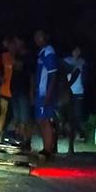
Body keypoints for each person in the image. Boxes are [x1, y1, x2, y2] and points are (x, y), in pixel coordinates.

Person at [33, 30, 58, 158]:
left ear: (45, 37)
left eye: (40, 37)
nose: (37, 40)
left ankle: (48, 149)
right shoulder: (42, 52)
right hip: (40, 91)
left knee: (45, 120)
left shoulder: (49, 52)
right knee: (40, 120)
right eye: (36, 37)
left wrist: (48, 94)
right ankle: (46, 148)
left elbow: (53, 74)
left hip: (45, 92)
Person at [10, 36, 34, 150]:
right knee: (18, 117)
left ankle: (27, 141)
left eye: (17, 42)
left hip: (24, 90)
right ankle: (21, 139)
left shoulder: (28, 56)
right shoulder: (17, 55)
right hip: (16, 89)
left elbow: (32, 75)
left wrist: (31, 91)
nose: (15, 44)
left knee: (25, 118)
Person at [62, 45, 87, 153]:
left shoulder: (82, 62)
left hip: (78, 91)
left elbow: (82, 74)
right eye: (75, 50)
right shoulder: (66, 61)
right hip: (66, 93)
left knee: (76, 115)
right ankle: (69, 134)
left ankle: (79, 134)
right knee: (65, 118)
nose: (77, 52)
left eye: (79, 50)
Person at [0, 37, 14, 141]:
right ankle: (0, 134)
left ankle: (14, 134)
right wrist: (0, 78)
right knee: (3, 112)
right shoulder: (4, 56)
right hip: (5, 89)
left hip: (15, 90)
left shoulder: (18, 56)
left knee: (14, 114)